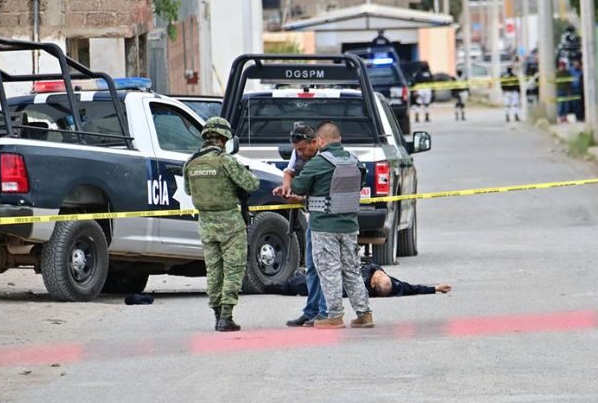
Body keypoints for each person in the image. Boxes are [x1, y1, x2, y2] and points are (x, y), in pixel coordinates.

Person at [290, 121, 373, 329]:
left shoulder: (319, 163)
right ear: (340, 139)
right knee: (352, 270)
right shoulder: (355, 162)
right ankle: (364, 314)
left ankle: (334, 316)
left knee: (329, 271)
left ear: (320, 140)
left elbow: (299, 186)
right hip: (349, 225)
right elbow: (360, 184)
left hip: (324, 226)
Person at [184, 116, 260, 332]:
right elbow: (252, 184)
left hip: (206, 223)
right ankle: (226, 316)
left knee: (214, 270)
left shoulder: (192, 161)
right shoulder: (225, 160)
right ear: (225, 137)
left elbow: (189, 190)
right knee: (233, 269)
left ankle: (217, 314)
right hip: (230, 223)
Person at [272, 123, 328, 327]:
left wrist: (299, 197)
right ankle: (312, 311)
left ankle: (325, 312)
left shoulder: (326, 157)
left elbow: (323, 191)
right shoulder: (300, 153)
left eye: (303, 149)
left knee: (325, 268)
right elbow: (290, 172)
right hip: (314, 216)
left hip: (328, 220)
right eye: (297, 150)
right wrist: (286, 188)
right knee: (312, 267)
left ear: (316, 142)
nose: (300, 153)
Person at [266, 261, 452, 298]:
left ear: (372, 284)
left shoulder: (359, 286)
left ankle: (270, 286)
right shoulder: (389, 282)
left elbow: (332, 289)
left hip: (332, 276)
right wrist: (435, 288)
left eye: (378, 276)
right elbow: (412, 288)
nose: (380, 273)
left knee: (298, 284)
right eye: (382, 274)